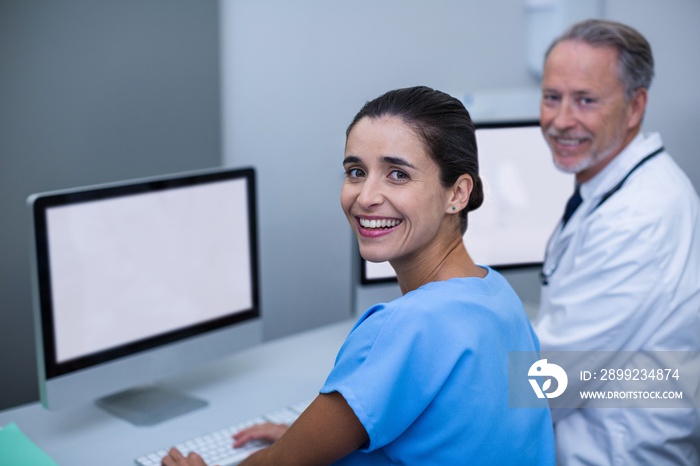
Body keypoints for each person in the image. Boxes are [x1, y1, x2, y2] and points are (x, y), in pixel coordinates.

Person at [163, 86, 555, 465]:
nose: (365, 197)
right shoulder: (497, 295)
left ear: (457, 193)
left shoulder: (406, 327)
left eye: (397, 174)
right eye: (355, 171)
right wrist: (314, 435)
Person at [533, 19, 700, 465]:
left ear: (634, 106)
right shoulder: (612, 187)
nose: (560, 120)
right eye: (552, 97)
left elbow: (548, 381)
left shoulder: (641, 215)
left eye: (585, 100)